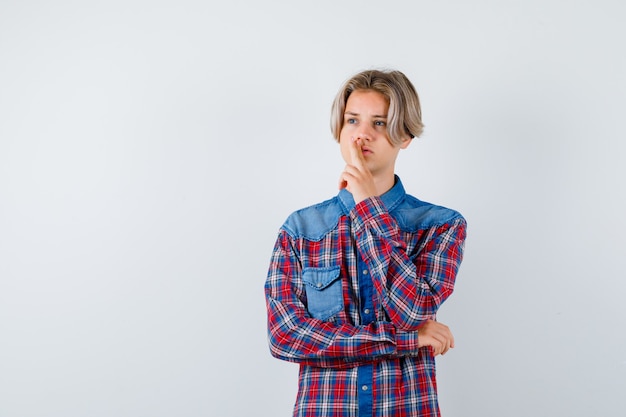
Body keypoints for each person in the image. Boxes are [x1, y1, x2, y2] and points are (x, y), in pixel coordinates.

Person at [264, 69, 467, 417]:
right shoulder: (300, 229)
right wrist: (407, 340)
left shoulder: (440, 225)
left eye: (379, 123)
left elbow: (413, 310)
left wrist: (368, 208)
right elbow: (286, 336)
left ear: (404, 135)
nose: (362, 135)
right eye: (352, 121)